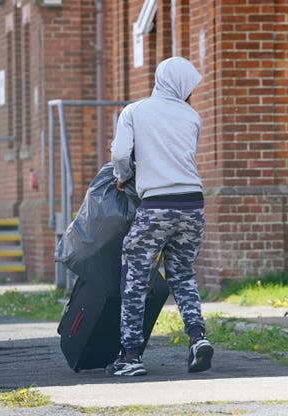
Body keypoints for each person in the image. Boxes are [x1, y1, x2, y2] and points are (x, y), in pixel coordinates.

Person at [107, 56, 213, 377]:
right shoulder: (192, 117)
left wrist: (122, 176)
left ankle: (131, 355)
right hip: (193, 204)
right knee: (182, 273)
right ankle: (197, 337)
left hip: (156, 206)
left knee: (136, 277)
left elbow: (121, 154)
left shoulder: (135, 111)